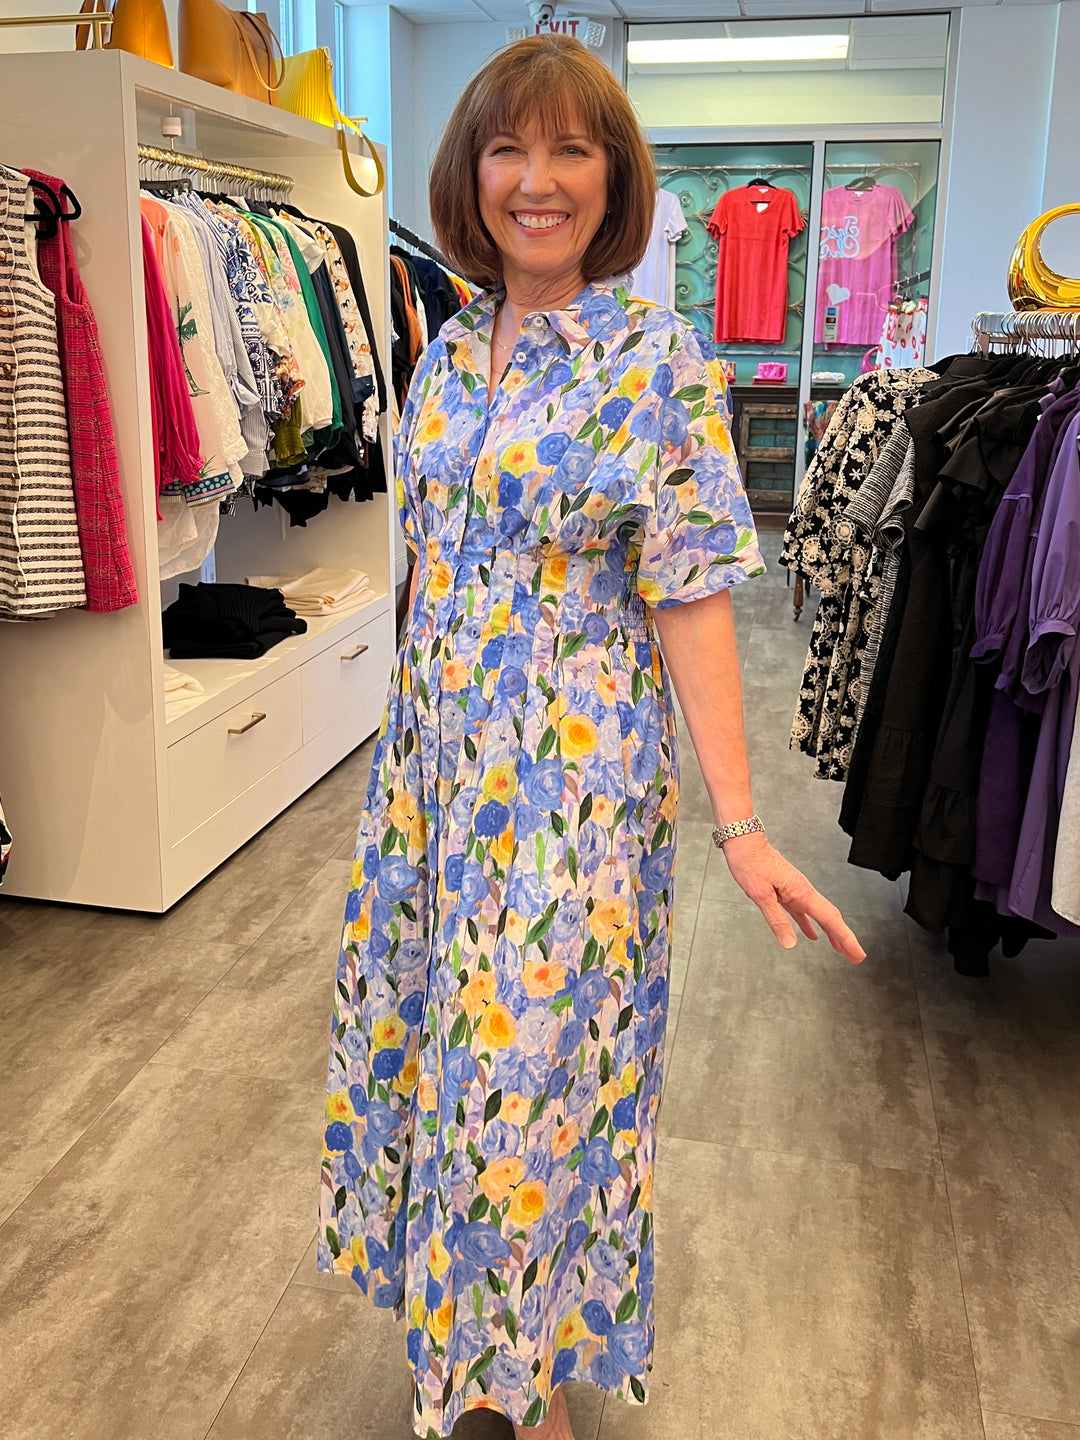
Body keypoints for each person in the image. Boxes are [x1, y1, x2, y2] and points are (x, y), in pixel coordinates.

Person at [317, 32, 865, 1440]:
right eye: (509, 148)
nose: (537, 180)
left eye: (571, 150)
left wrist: (741, 825)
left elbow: (692, 593)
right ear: (470, 173)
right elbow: (431, 567)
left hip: (576, 777)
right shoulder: (445, 352)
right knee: (441, 1061)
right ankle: (468, 1352)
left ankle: (531, 1387)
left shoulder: (657, 361)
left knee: (537, 1080)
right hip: (435, 777)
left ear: (614, 180)